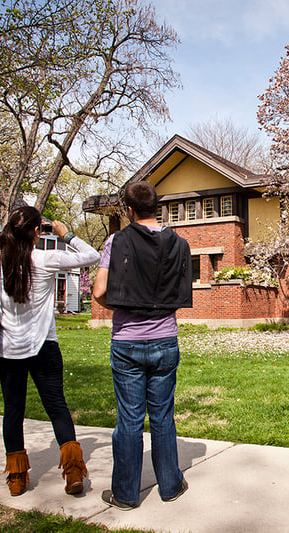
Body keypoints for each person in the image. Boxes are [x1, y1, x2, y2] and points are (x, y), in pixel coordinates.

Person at [92, 181, 192, 510]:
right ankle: (170, 485)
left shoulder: (116, 241)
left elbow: (99, 292)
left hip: (127, 343)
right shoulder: (179, 243)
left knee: (130, 420)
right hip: (165, 338)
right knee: (163, 416)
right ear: (157, 208)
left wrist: (122, 308)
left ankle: (125, 493)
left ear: (130, 210)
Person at [0, 206, 100, 497]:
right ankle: (74, 472)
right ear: (39, 231)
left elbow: (7, 247)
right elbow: (92, 256)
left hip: (6, 349)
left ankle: (16, 477)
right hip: (43, 347)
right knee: (57, 407)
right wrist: (66, 234)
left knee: (13, 411)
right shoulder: (46, 259)